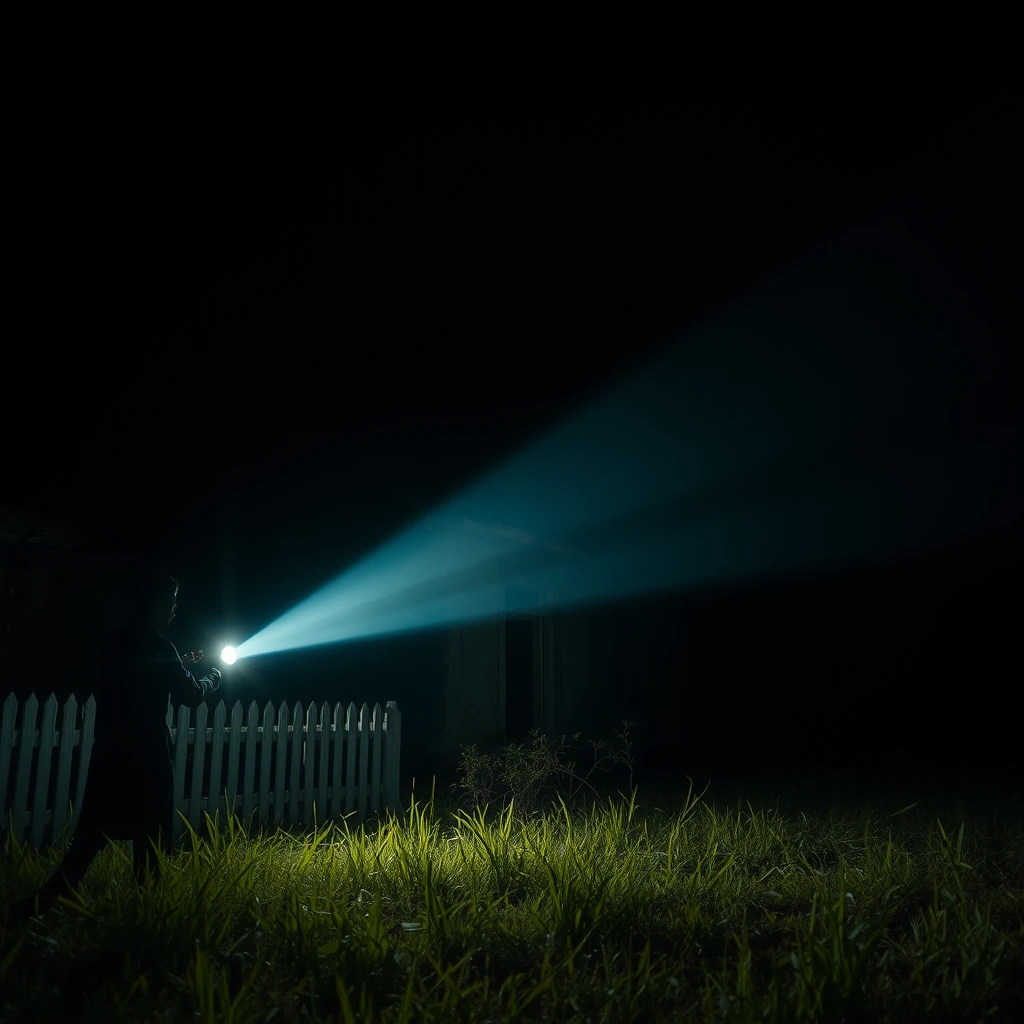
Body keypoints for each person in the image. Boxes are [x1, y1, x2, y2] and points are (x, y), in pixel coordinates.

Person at [9, 566, 221, 919]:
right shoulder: (159, 644)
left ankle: (40, 906)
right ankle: (143, 918)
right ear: (153, 602)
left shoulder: (115, 641)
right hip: (148, 759)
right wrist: (214, 677)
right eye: (169, 601)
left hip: (109, 752)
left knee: (88, 842)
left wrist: (178, 663)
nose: (172, 609)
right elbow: (191, 696)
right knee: (149, 843)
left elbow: (140, 676)